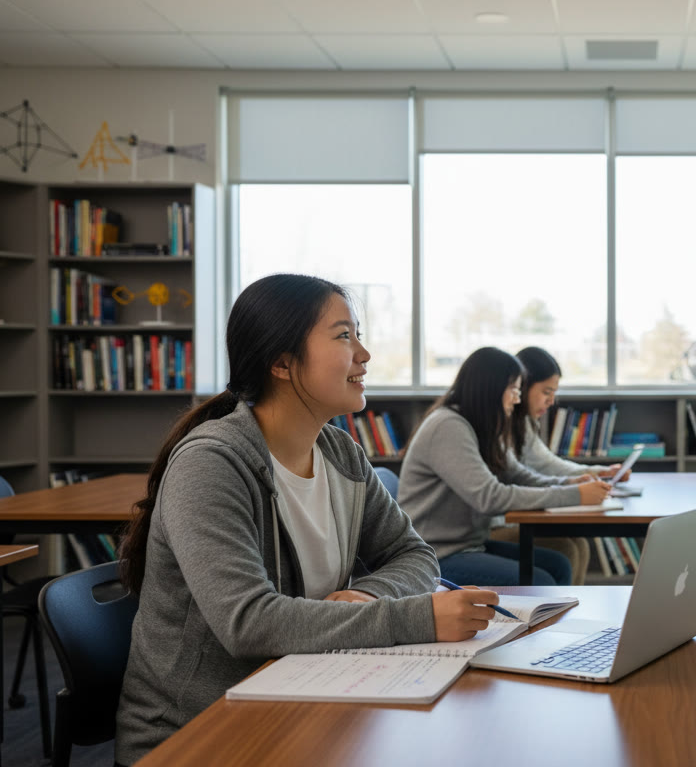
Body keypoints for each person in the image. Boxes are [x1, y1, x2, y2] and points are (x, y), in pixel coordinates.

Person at [115, 274, 499, 765]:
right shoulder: (210, 464)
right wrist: (417, 616)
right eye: (344, 336)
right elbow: (248, 622)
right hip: (199, 734)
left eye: (358, 335)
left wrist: (367, 595)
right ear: (281, 363)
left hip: (305, 700)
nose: (364, 354)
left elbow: (413, 553)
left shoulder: (340, 451)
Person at [397, 346, 611, 586]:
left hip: (468, 545)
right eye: (514, 390)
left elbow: (518, 475)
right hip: (434, 555)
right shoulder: (448, 426)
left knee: (558, 565)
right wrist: (574, 495)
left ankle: (558, 614)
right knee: (541, 582)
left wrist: (569, 483)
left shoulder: (481, 425)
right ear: (491, 389)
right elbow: (490, 497)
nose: (517, 399)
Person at [489, 346, 628, 585]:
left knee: (578, 545)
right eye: (546, 391)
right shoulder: (497, 425)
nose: (551, 401)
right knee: (567, 550)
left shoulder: (522, 423)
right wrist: (575, 489)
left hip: (505, 518)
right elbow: (502, 490)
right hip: (495, 524)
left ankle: (568, 607)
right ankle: (559, 607)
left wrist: (593, 474)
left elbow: (539, 468)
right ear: (523, 385)